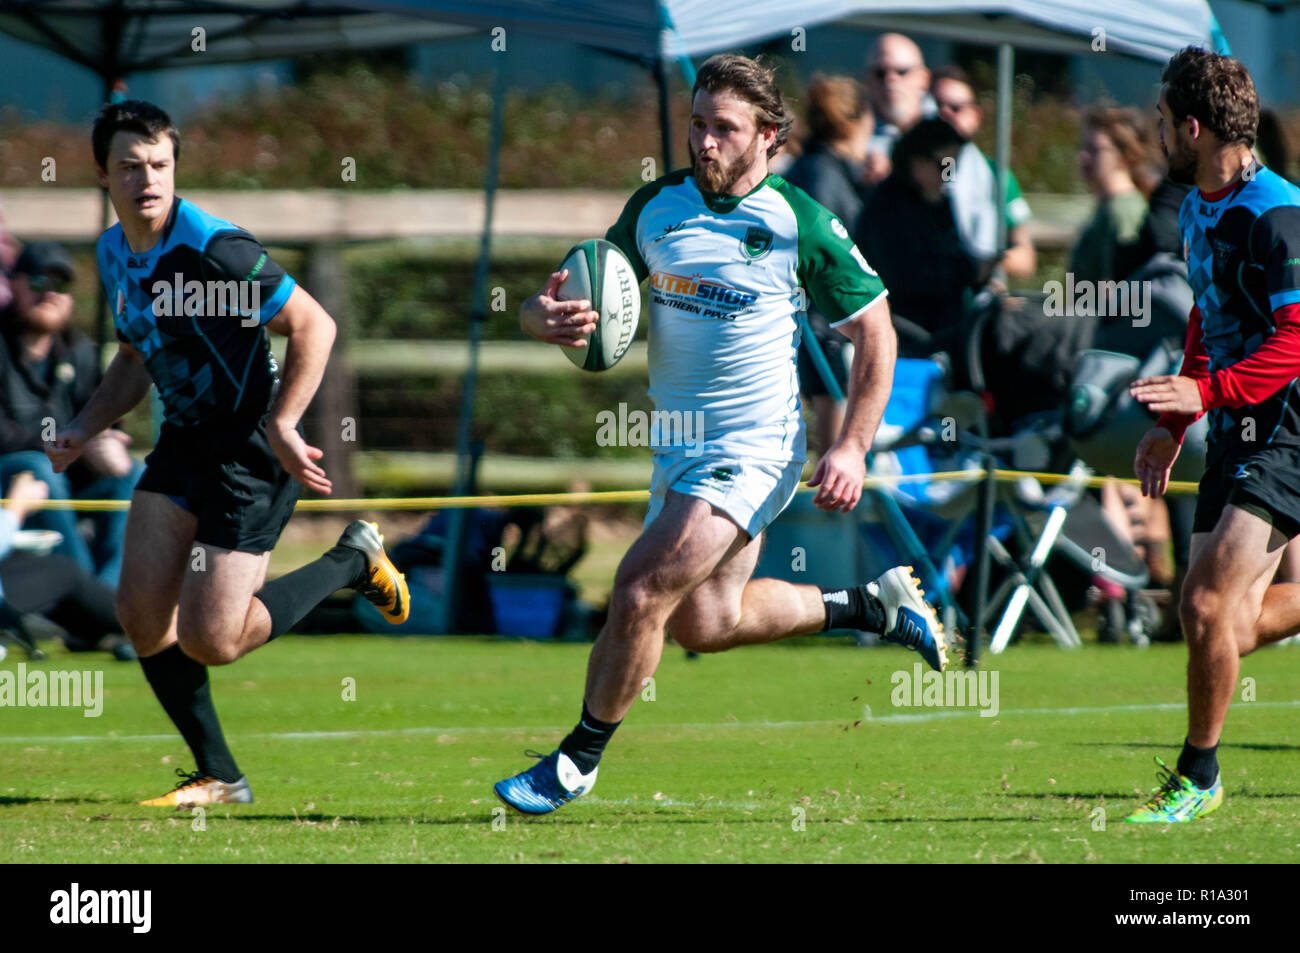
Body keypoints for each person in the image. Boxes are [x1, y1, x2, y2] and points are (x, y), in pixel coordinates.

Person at [494, 53, 947, 815]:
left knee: (638, 588)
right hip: (678, 444)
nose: (705, 142)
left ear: (768, 136)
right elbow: (577, 296)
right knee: (708, 622)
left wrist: (853, 444)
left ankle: (575, 760)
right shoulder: (656, 208)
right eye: (698, 124)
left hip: (756, 449)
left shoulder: (800, 223)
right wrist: (545, 320)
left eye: (725, 129)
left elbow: (877, 333)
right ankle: (873, 606)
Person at [45, 100, 411, 807]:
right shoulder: (114, 250)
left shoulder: (215, 247)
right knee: (141, 614)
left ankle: (352, 560)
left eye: (159, 165)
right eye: (129, 167)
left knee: (215, 638)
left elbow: (314, 323)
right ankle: (221, 775)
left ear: (174, 167)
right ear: (101, 176)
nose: (147, 179)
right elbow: (134, 351)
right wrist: (85, 425)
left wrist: (285, 422)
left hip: (250, 445)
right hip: (183, 441)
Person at [1127, 48, 1300, 822]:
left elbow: (1296, 338)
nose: (1155, 133)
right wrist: (1176, 421)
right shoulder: (1199, 207)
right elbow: (1210, 312)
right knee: (1221, 622)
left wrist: (1207, 390)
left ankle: (1198, 776)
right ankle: (1200, 775)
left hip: (1290, 426)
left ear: (1193, 127)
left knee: (1200, 606)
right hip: (1235, 424)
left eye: (1162, 122)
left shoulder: (1277, 212)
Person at [0, 241, 141, 584]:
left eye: (60, 285)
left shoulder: (79, 351)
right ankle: (85, 595)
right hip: (15, 480)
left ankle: (108, 599)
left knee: (132, 474)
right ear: (13, 285)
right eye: (37, 283)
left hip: (69, 479)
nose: (49, 293)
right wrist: (65, 443)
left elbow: (102, 411)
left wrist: (105, 441)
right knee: (37, 467)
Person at [782, 75, 874, 454]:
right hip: (824, 324)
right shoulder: (824, 176)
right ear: (857, 123)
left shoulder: (812, 168)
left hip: (815, 320)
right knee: (833, 438)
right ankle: (832, 511)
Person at [856, 117, 991, 361]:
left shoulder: (936, 204)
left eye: (955, 166)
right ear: (917, 161)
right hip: (906, 338)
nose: (950, 175)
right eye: (945, 166)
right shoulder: (887, 208)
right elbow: (904, 278)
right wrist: (971, 272)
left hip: (943, 331)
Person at [930, 65, 1036, 281]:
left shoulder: (994, 176)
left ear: (975, 115)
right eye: (937, 105)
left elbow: (1025, 257)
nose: (945, 114)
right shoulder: (908, 171)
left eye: (955, 107)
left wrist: (979, 266)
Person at [1072, 107, 1159, 285]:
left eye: (1094, 149)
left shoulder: (1123, 211)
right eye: (1082, 147)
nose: (1083, 157)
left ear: (1125, 156)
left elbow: (1118, 286)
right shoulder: (1107, 206)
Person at [862, 33, 934, 185]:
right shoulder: (849, 138)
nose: (890, 79)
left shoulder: (949, 132)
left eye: (902, 71)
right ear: (867, 80)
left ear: (924, 79)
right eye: (880, 73)